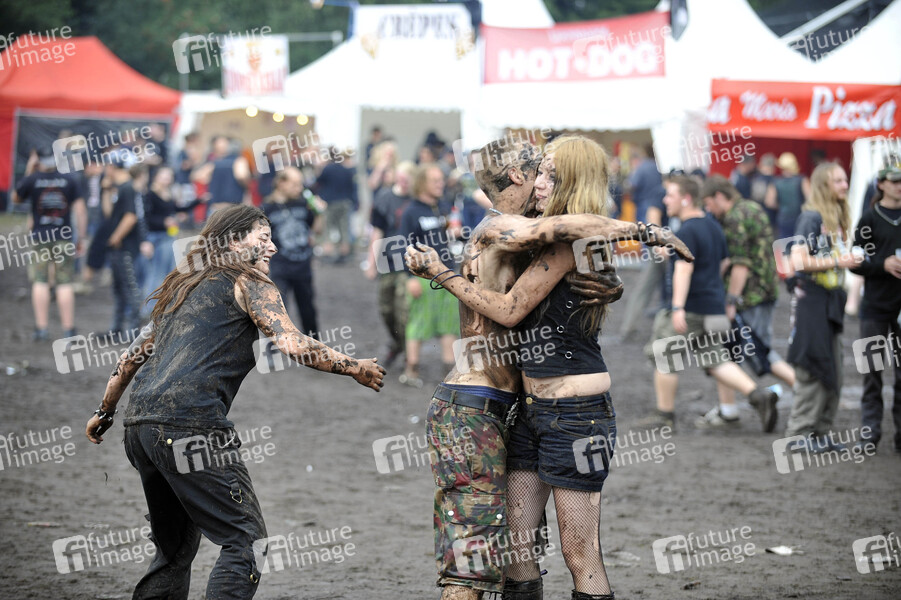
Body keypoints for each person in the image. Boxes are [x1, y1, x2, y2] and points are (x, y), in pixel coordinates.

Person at [406, 136, 692, 600]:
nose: (539, 182)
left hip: (577, 414)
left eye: (550, 175)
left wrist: (636, 240)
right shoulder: (531, 234)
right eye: (538, 171)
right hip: (528, 410)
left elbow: (513, 308)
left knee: (580, 553)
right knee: (517, 551)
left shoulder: (566, 240)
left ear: (572, 182)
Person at [84, 204, 384, 600]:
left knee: (174, 549)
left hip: (139, 428)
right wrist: (355, 366)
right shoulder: (250, 282)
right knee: (246, 542)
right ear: (232, 242)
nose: (273, 247)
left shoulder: (183, 285)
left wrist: (104, 411)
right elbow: (293, 343)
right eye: (264, 238)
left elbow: (130, 357)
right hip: (189, 427)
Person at [642, 175, 779, 431]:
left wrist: (677, 307)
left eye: (670, 195)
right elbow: (724, 263)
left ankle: (664, 415)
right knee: (716, 359)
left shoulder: (686, 231)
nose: (665, 200)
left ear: (686, 198)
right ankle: (758, 396)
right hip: (715, 306)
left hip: (691, 308)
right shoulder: (713, 226)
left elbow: (684, 270)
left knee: (664, 356)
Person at [701, 175, 796, 428]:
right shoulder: (752, 207)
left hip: (749, 296)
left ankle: (804, 392)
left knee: (756, 353)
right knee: (733, 351)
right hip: (765, 291)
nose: (709, 209)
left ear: (719, 196)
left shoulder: (734, 218)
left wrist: (731, 301)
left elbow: (740, 264)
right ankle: (728, 410)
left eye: (709, 203)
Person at [783, 162, 862, 451]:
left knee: (833, 369)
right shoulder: (812, 217)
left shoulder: (834, 217)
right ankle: (798, 435)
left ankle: (820, 432)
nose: (845, 185)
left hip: (830, 302)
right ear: (823, 185)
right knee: (812, 367)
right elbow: (798, 260)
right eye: (838, 181)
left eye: (845, 180)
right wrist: (839, 261)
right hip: (812, 302)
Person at [849, 166, 901, 454]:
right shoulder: (869, 219)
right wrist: (884, 264)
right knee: (872, 373)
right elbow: (856, 262)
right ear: (881, 184)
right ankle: (870, 434)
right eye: (894, 181)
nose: (899, 186)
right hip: (874, 308)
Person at [12, 146, 87, 340]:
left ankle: (42, 329)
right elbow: (80, 210)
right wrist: (81, 238)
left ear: (38, 160)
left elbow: (16, 198)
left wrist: (29, 170)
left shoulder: (33, 179)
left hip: (40, 238)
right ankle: (68, 330)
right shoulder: (70, 179)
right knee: (65, 282)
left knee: (40, 281)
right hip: (64, 237)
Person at [397, 164, 459, 387]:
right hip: (422, 277)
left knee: (449, 324)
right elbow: (403, 246)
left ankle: (450, 373)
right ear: (422, 183)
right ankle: (411, 370)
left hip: (448, 273)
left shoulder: (442, 206)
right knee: (418, 323)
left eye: (441, 180)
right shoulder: (411, 211)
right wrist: (410, 278)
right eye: (435, 181)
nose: (441, 184)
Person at [261, 166, 324, 337]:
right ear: (281, 183)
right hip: (279, 267)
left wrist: (319, 213)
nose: (299, 189)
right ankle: (275, 347)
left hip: (303, 266)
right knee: (278, 311)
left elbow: (317, 230)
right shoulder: (267, 208)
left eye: (300, 184)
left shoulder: (303, 204)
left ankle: (314, 344)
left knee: (308, 311)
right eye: (295, 184)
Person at [367, 160, 416, 366]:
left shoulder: (417, 200)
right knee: (386, 310)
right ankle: (397, 344)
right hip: (387, 262)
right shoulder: (384, 198)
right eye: (401, 178)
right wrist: (371, 262)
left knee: (404, 312)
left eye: (408, 179)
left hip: (409, 265)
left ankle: (409, 355)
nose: (404, 183)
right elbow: (377, 232)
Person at [314, 149, 358, 262]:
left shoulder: (327, 169)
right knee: (344, 229)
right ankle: (344, 253)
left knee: (328, 228)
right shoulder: (346, 170)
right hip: (344, 202)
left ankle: (328, 253)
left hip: (330, 203)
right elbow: (352, 187)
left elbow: (318, 181)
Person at [192, 135, 252, 213]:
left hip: (215, 208)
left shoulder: (214, 163)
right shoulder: (239, 161)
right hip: (233, 208)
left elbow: (197, 176)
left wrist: (209, 180)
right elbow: (242, 176)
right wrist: (247, 187)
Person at [766, 152, 809, 241]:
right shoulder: (802, 180)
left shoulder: (775, 182)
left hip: (783, 219)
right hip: (799, 218)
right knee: (800, 245)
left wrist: (781, 206)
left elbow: (769, 202)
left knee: (785, 245)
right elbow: (810, 198)